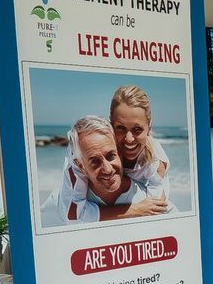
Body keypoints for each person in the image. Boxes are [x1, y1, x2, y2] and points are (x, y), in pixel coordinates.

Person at [55, 85, 172, 223]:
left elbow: (154, 208)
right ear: (111, 124)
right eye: (121, 128)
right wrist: (135, 210)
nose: (129, 139)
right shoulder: (82, 155)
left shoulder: (155, 162)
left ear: (149, 128)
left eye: (137, 129)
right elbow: (74, 215)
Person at [58, 115, 162, 223]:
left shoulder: (145, 198)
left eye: (111, 156)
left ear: (120, 153)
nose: (107, 169)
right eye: (95, 161)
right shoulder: (73, 176)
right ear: (81, 167)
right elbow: (73, 218)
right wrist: (134, 210)